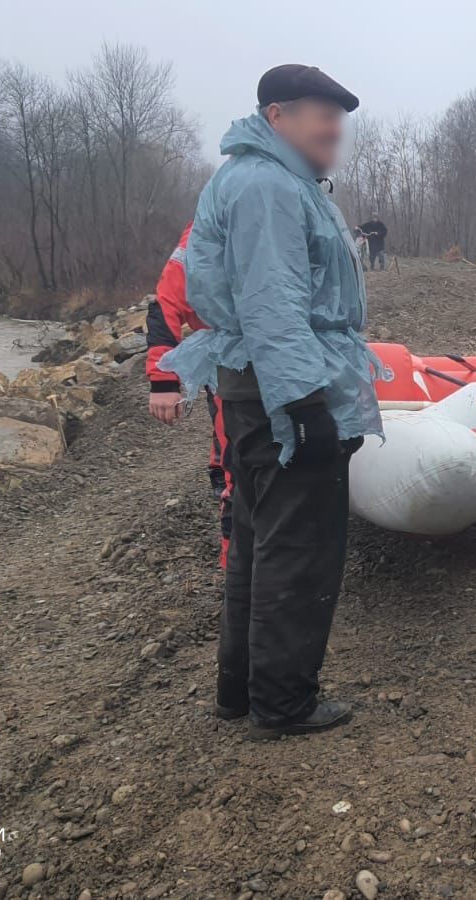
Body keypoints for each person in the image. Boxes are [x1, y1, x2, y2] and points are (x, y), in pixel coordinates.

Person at [160, 64, 381, 741]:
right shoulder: (267, 187)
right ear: (277, 115)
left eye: (339, 116)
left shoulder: (270, 179)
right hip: (282, 392)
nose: (334, 127)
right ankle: (284, 703)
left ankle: (241, 689)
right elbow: (274, 306)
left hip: (257, 391)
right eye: (321, 113)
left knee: (259, 542)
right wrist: (307, 405)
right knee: (299, 549)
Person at [145, 221, 235, 569]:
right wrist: (163, 382)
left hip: (279, 360)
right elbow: (165, 304)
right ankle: (236, 578)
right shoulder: (209, 229)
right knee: (238, 465)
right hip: (229, 362)